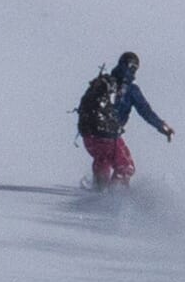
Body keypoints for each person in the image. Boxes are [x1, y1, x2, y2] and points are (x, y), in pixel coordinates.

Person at [73, 50, 172, 187]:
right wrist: (161, 126)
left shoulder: (103, 82)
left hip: (89, 135)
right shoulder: (130, 90)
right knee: (125, 166)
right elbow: (145, 111)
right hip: (107, 135)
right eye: (132, 67)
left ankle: (98, 189)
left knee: (103, 159)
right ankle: (114, 194)